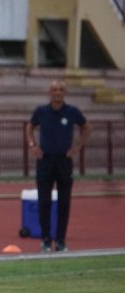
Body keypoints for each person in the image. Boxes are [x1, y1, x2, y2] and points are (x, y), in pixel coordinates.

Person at [25, 80, 91, 253]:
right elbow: (29, 127)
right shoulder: (41, 111)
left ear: (65, 92)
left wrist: (78, 146)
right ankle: (46, 239)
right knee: (44, 201)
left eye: (61, 90)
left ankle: (61, 240)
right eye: (54, 90)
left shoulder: (72, 112)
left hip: (64, 161)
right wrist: (33, 145)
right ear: (49, 92)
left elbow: (86, 127)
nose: (57, 93)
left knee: (64, 202)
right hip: (45, 161)